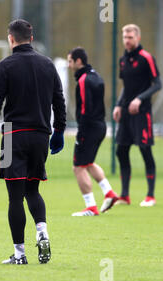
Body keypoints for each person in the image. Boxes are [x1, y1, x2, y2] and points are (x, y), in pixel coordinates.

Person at [0, 19, 66, 264]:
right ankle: (42, 232)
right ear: (31, 38)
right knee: (33, 190)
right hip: (41, 136)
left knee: (15, 197)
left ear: (11, 38)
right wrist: (59, 130)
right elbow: (59, 100)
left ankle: (19, 254)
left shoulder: (6, 65)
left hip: (13, 137)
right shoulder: (47, 64)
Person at [112, 24, 162, 207]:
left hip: (142, 113)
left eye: (130, 37)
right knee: (121, 150)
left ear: (138, 38)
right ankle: (125, 195)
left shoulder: (146, 58)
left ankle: (150, 195)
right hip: (125, 112)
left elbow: (157, 84)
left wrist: (140, 99)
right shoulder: (123, 60)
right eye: (125, 37)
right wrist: (118, 105)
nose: (127, 40)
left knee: (145, 150)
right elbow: (126, 87)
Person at [67, 47, 119, 216]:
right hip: (100, 126)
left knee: (78, 167)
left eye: (70, 61)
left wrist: (81, 130)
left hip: (88, 128)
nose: (69, 65)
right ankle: (109, 193)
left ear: (78, 61)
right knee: (88, 163)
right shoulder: (97, 76)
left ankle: (91, 207)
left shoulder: (83, 80)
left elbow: (85, 108)